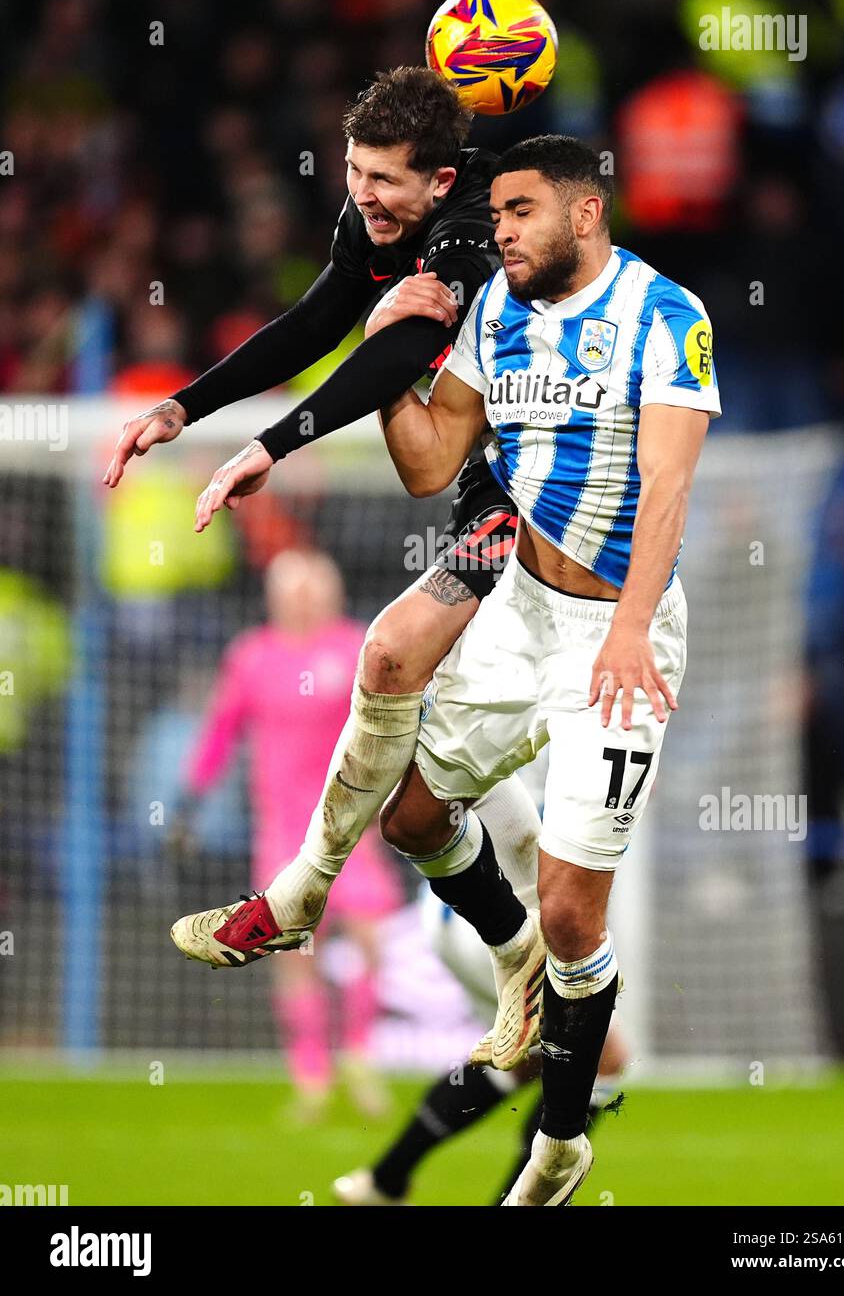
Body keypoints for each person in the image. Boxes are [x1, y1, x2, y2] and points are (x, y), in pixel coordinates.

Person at [102, 68, 534, 998]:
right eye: (353, 171)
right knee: (432, 799)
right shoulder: (374, 222)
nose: (362, 195)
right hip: (477, 494)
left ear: (442, 183)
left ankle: (306, 899)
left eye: (384, 180)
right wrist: (189, 404)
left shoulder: (483, 227)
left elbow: (405, 350)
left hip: (548, 510)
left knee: (391, 670)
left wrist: (275, 443)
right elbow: (320, 325)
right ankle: (528, 978)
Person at [371, 136, 720, 1204]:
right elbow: (432, 461)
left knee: (577, 911)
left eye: (519, 210)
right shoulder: (497, 312)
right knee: (410, 816)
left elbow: (665, 487)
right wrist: (387, 361)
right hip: (519, 613)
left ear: (585, 212)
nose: (500, 231)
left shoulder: (669, 314)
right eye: (496, 212)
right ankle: (516, 968)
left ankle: (560, 1141)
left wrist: (623, 627)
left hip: (621, 635)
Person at [331, 772, 629, 1206]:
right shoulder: (598, 733)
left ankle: (385, 1179)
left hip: (453, 902)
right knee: (600, 1060)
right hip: (506, 916)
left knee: (530, 1059)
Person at [180, 548, 401, 1118]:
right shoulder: (252, 658)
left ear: (330, 593)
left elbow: (392, 724)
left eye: (313, 589)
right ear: (275, 597)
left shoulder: (356, 646)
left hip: (349, 825)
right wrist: (187, 803)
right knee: (294, 950)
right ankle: (311, 1074)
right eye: (293, 590)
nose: (304, 600)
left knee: (373, 937)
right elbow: (220, 733)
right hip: (282, 834)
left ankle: (358, 1051)